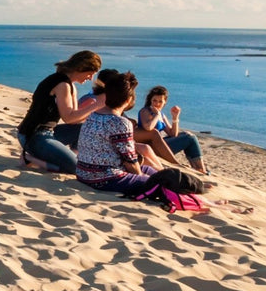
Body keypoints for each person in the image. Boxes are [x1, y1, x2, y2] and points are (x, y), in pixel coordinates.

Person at [75, 71, 206, 197]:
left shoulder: (93, 115)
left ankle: (197, 186)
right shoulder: (120, 122)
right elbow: (130, 162)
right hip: (105, 178)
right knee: (161, 184)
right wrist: (141, 177)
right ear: (128, 100)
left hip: (83, 173)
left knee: (154, 172)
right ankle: (199, 194)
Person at [17, 50, 105, 174]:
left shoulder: (70, 86)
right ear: (81, 68)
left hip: (48, 132)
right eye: (90, 74)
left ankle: (71, 156)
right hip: (33, 136)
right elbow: (68, 118)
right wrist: (97, 104)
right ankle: (30, 160)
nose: (90, 78)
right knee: (78, 169)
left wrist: (94, 110)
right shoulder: (62, 85)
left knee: (86, 128)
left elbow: (74, 121)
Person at [136, 86, 209, 175]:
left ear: (165, 102)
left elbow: (173, 133)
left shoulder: (161, 115)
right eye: (155, 100)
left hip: (161, 146)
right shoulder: (145, 111)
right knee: (189, 137)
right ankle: (199, 169)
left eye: (160, 101)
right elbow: (148, 128)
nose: (157, 104)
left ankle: (199, 167)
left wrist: (175, 117)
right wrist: (156, 115)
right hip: (150, 149)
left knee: (189, 136)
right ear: (150, 100)